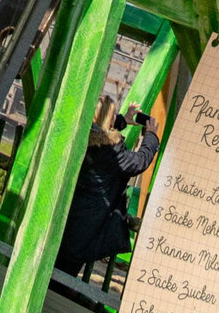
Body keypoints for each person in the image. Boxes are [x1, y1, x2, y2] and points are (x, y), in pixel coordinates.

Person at [57, 109, 160, 277]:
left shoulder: (79, 136)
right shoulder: (109, 151)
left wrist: (122, 121)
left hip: (66, 216)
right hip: (86, 225)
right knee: (63, 273)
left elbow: (99, 130)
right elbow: (139, 162)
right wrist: (151, 136)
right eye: (113, 115)